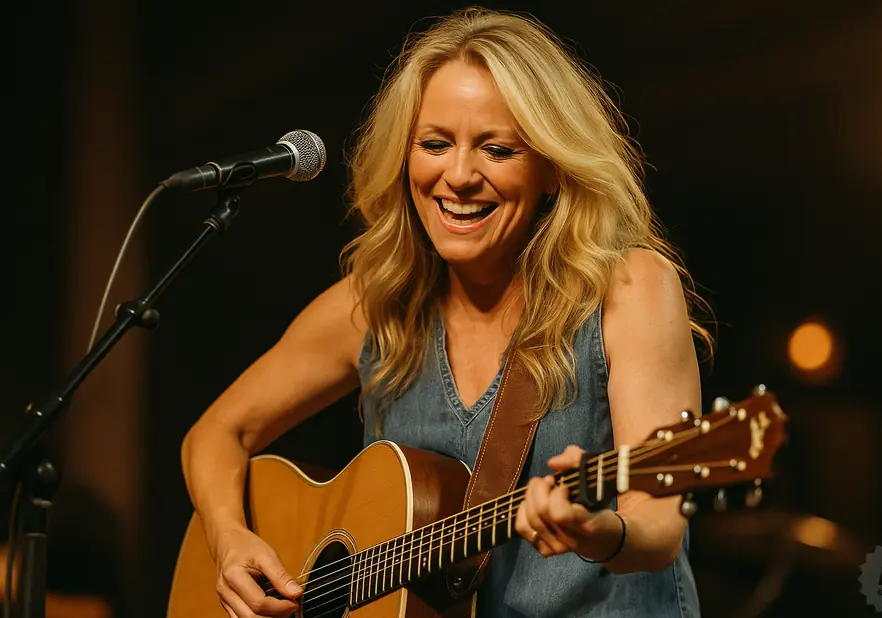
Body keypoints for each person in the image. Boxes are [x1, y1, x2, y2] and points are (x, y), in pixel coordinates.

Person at [180, 7, 713, 618]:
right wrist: (229, 540)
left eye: (497, 149)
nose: (458, 176)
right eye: (434, 144)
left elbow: (658, 524)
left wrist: (598, 532)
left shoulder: (628, 288)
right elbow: (215, 434)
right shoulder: (374, 306)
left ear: (552, 169)